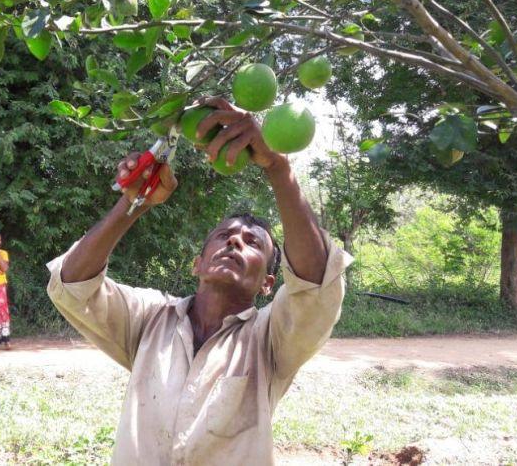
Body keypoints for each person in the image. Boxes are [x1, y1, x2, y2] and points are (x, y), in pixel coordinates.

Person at [46, 97, 353, 465]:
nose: (236, 240)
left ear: (268, 283)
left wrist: (276, 165)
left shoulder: (271, 340)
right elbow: (71, 284)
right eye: (223, 236)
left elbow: (316, 282)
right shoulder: (150, 319)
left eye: (253, 242)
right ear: (197, 264)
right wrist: (134, 203)